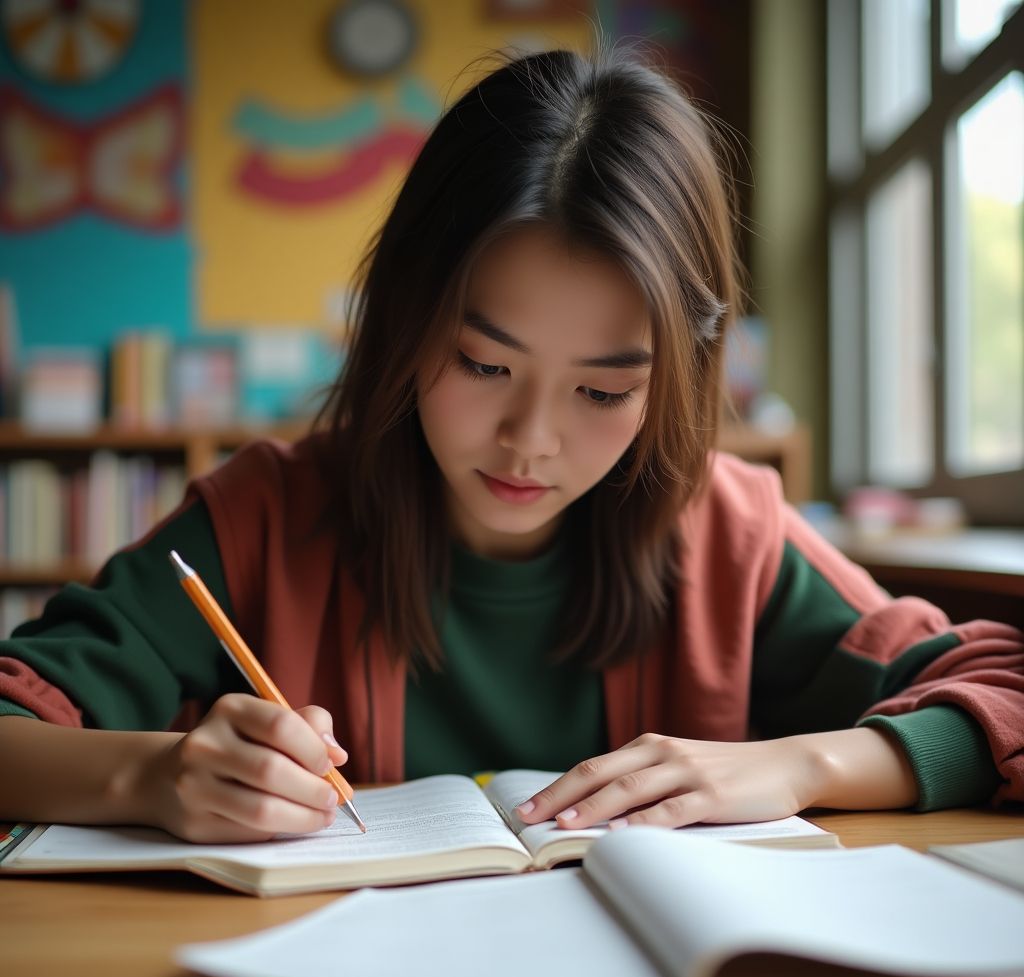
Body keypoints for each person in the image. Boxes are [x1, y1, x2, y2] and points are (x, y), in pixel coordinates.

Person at [0, 47, 1021, 844]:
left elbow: (1003, 689)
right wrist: (151, 776)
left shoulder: (724, 533)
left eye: (604, 388)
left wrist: (801, 766)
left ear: (675, 379)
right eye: (484, 366)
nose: (531, 441)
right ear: (403, 319)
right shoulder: (264, 518)